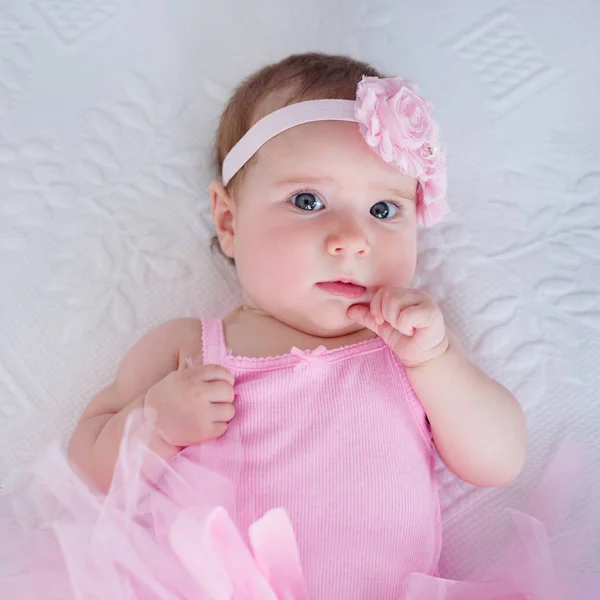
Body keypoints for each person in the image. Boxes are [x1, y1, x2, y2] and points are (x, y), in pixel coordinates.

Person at [1, 53, 595, 600]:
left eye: (383, 211)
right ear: (229, 222)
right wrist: (156, 423)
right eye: (308, 201)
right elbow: (87, 473)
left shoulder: (411, 350)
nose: (351, 239)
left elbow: (497, 462)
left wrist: (436, 360)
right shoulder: (188, 347)